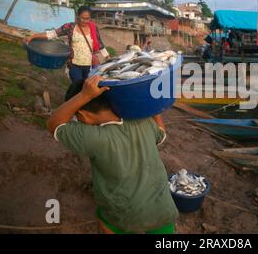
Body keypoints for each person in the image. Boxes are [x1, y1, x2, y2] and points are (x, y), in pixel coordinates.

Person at [46, 76, 179, 234]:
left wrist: (84, 95)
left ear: (82, 114)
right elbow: (161, 132)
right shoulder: (142, 121)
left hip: (125, 214)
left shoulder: (93, 137)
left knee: (105, 221)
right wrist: (152, 109)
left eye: (77, 117)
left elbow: (54, 125)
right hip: (163, 209)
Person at [26, 6, 109, 83]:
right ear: (78, 16)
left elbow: (100, 44)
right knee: (77, 87)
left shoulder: (93, 28)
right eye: (82, 18)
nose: (84, 21)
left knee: (86, 89)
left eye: (87, 19)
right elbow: (53, 34)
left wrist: (108, 57)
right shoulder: (70, 27)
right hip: (74, 65)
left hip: (88, 66)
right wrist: (34, 36)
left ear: (90, 18)